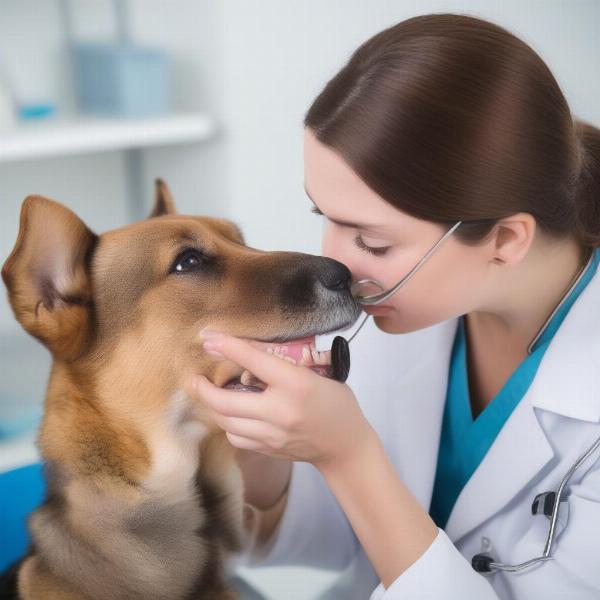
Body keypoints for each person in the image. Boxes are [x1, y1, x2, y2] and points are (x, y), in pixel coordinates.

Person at [184, 13, 600, 599]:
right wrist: (262, 447)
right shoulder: (406, 316)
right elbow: (342, 540)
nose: (335, 266)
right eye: (323, 217)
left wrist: (348, 455)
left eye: (372, 242)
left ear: (506, 240)